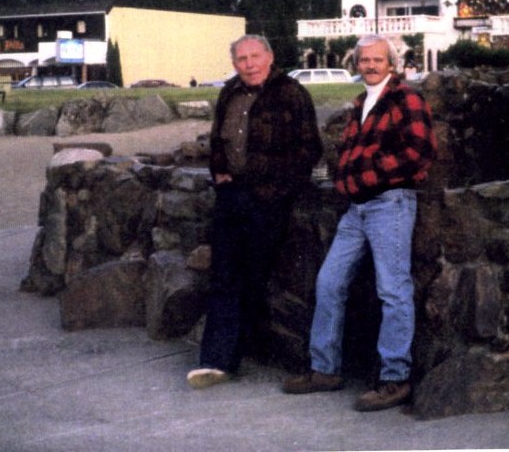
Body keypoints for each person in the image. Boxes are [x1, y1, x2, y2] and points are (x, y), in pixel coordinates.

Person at [282, 34, 436, 412]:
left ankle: (394, 378)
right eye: (364, 60)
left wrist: (367, 178)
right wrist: (345, 183)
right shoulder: (360, 102)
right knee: (329, 282)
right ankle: (325, 369)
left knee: (393, 290)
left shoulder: (407, 99)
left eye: (377, 60)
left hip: (390, 204)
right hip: (357, 209)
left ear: (391, 64)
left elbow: (419, 152)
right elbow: (349, 154)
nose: (370, 65)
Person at [187, 34, 322, 389]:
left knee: (253, 276)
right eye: (241, 59)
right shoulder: (229, 92)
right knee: (223, 274)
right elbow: (217, 140)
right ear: (234, 64)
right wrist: (219, 171)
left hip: (269, 199)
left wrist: (277, 189)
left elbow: (309, 150)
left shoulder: (291, 94)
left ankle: (242, 351)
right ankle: (216, 361)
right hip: (231, 195)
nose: (249, 64)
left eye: (255, 57)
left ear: (270, 57)